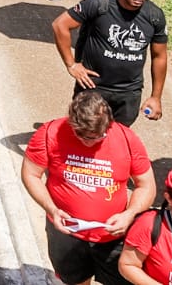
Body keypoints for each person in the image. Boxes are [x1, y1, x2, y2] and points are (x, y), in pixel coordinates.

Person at [20, 90, 155, 285]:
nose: (88, 143)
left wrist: (130, 213)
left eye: (96, 138)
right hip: (66, 234)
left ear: (109, 125)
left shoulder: (127, 139)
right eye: (81, 136)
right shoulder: (50, 133)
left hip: (113, 236)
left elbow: (146, 185)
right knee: (75, 281)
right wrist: (51, 209)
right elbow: (31, 173)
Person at [52, 0, 168, 126]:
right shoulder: (98, 4)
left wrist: (156, 97)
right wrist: (71, 65)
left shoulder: (154, 16)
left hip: (128, 94)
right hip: (93, 88)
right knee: (86, 135)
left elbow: (159, 56)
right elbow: (60, 25)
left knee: (115, 142)